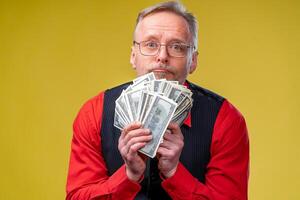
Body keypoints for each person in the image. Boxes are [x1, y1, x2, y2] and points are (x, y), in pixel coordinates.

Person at [66, 1, 249, 200]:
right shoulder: (95, 113)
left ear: (193, 60)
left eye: (177, 46)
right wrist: (129, 175)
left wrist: (174, 173)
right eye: (151, 44)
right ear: (133, 55)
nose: (162, 56)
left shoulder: (226, 119)